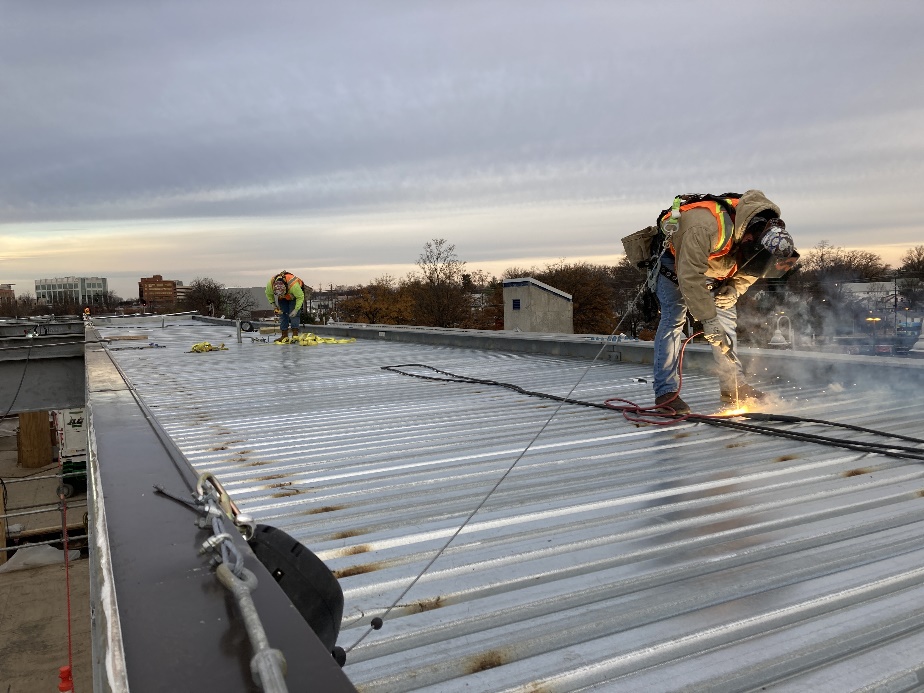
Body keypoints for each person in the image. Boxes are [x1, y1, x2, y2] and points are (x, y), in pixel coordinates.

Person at [648, 190, 797, 414]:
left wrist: (734, 289)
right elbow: (690, 278)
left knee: (725, 316)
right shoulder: (703, 227)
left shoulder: (765, 237)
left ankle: (733, 385)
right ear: (748, 238)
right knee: (674, 318)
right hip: (675, 259)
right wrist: (708, 321)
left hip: (715, 262)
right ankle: (665, 392)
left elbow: (753, 268)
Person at [265, 271, 305, 342]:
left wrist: (296, 309)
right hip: (283, 298)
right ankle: (284, 336)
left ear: (285, 287)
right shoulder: (270, 285)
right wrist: (274, 305)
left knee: (294, 316)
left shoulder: (293, 285)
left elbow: (300, 297)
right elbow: (268, 294)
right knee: (283, 314)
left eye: (283, 294)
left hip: (294, 296)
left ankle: (295, 335)